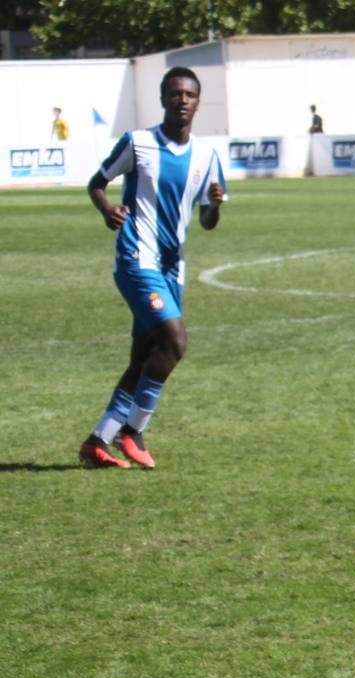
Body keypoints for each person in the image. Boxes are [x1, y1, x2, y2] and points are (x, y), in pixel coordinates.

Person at [76, 67, 227, 471]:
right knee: (175, 342)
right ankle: (134, 430)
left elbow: (208, 221)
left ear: (198, 101)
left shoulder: (207, 156)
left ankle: (97, 442)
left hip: (172, 268)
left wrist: (214, 205)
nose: (182, 100)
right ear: (163, 98)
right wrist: (108, 210)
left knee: (146, 355)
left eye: (189, 94)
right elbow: (96, 181)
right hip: (135, 260)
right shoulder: (138, 144)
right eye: (175, 93)